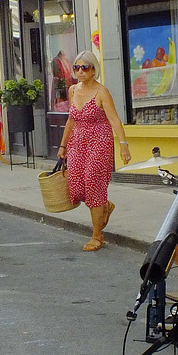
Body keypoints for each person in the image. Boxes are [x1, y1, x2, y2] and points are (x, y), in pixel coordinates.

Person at [57, 51, 132, 251]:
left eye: (85, 67)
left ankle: (97, 235)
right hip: (77, 142)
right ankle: (105, 207)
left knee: (93, 183)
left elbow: (114, 119)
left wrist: (123, 145)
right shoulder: (73, 90)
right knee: (77, 186)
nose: (80, 71)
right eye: (76, 67)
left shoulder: (101, 92)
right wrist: (63, 145)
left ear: (93, 69)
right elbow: (71, 119)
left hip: (99, 141)